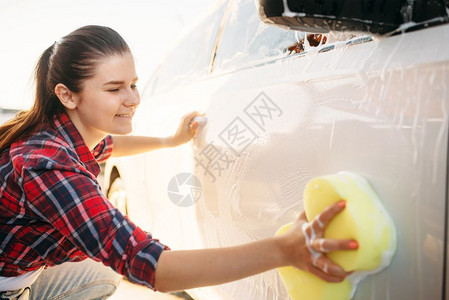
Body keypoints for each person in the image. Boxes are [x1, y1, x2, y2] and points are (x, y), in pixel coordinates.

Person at [0, 25, 358, 300]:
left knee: (100, 272)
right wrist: (284, 250)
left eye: (134, 84)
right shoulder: (47, 165)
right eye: (114, 89)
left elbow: (110, 146)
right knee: (108, 267)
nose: (133, 99)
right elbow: (147, 263)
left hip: (22, 271)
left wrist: (171, 140)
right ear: (67, 95)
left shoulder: (65, 134)